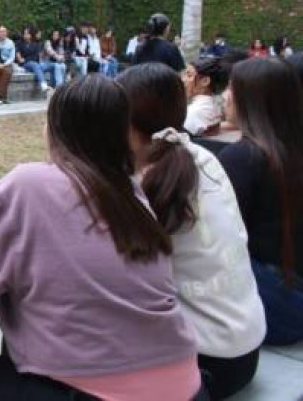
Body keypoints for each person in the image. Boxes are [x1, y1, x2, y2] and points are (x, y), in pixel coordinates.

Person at [0, 75, 200, 400]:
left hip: (97, 393)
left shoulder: (28, 183)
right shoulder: (132, 194)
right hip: (185, 384)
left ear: (55, 129)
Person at [117, 63, 265, 400]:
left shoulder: (145, 181)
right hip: (245, 350)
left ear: (124, 120)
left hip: (202, 363)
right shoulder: (202, 157)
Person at [218, 57, 303, 346]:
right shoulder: (288, 151)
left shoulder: (243, 157)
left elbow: (218, 238)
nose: (225, 96)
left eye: (231, 88)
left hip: (274, 306)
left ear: (251, 100)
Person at [182, 57, 228, 137]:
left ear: (205, 81)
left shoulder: (194, 113)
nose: (183, 79)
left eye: (189, 75)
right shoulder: (214, 105)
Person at [15, 26, 59, 92]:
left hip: (36, 64)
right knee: (34, 64)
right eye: (24, 33)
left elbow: (36, 57)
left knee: (54, 66)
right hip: (25, 65)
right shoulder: (19, 43)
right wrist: (26, 59)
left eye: (27, 33)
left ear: (31, 34)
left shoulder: (36, 44)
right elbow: (20, 59)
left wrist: (26, 59)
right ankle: (43, 84)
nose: (25, 35)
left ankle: (52, 86)